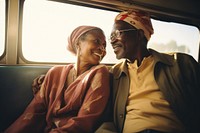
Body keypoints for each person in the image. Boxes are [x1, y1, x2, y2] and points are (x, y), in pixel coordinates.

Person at [96, 9, 200, 133]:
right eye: (111, 37)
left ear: (139, 34)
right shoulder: (114, 74)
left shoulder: (180, 63)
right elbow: (106, 118)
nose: (112, 41)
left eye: (117, 34)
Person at [5, 25, 110, 133]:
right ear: (78, 43)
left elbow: (85, 121)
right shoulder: (55, 73)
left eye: (104, 45)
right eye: (97, 41)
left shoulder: (100, 72)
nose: (102, 49)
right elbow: (33, 113)